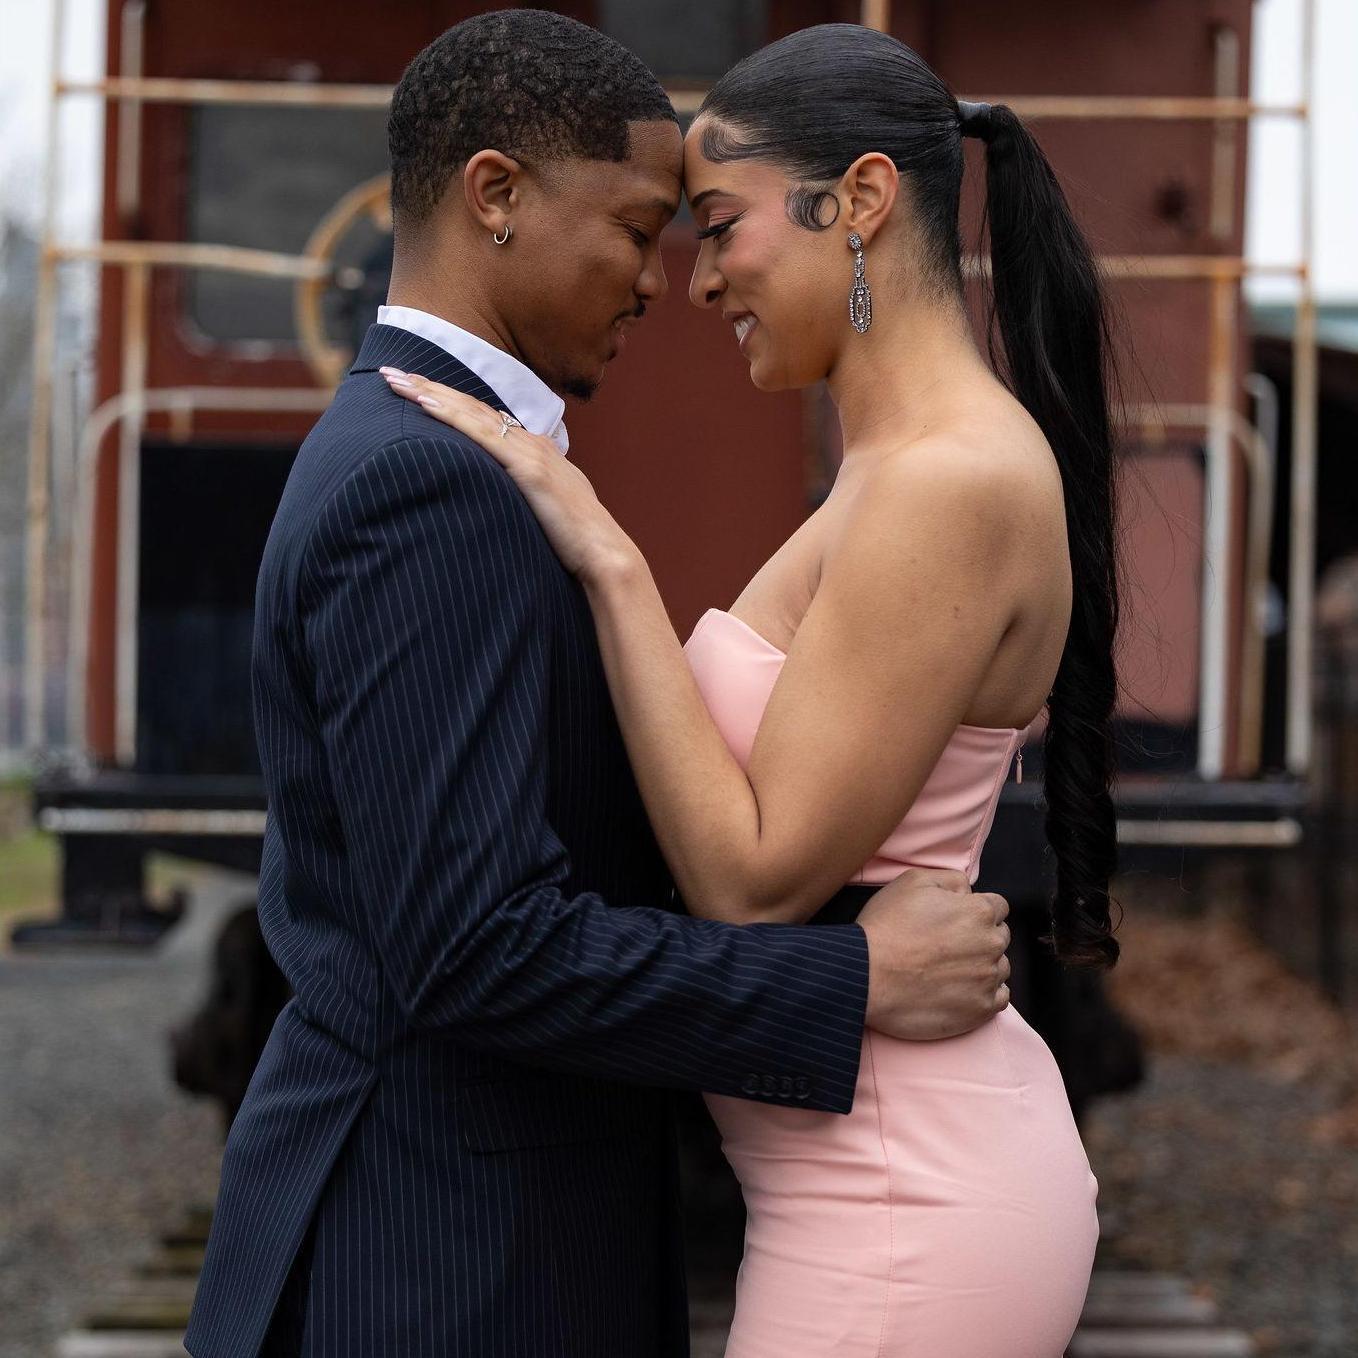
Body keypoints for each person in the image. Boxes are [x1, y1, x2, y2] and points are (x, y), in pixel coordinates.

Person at [183, 14, 1012, 1358]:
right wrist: (847, 980)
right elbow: (473, 947)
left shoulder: (456, 456)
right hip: (445, 1275)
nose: (660, 282)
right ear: (495, 194)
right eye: (635, 230)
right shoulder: (426, 483)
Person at [386, 20, 1120, 1358]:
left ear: (859, 201)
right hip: (862, 1181)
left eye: (722, 226)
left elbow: (754, 880)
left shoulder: (946, 482)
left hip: (902, 1198)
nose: (699, 278)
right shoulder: (895, 467)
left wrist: (610, 559)